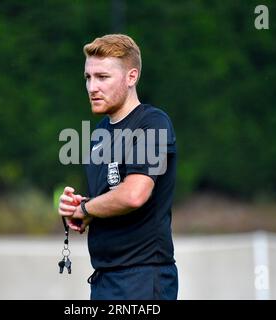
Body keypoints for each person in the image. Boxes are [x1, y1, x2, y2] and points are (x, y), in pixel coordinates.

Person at [58, 34, 178, 300]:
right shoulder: (99, 133)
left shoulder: (152, 123)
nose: (92, 87)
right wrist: (83, 210)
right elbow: (113, 196)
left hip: (143, 280)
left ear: (131, 77)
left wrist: (86, 208)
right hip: (105, 279)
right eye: (88, 78)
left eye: (102, 77)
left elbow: (134, 194)